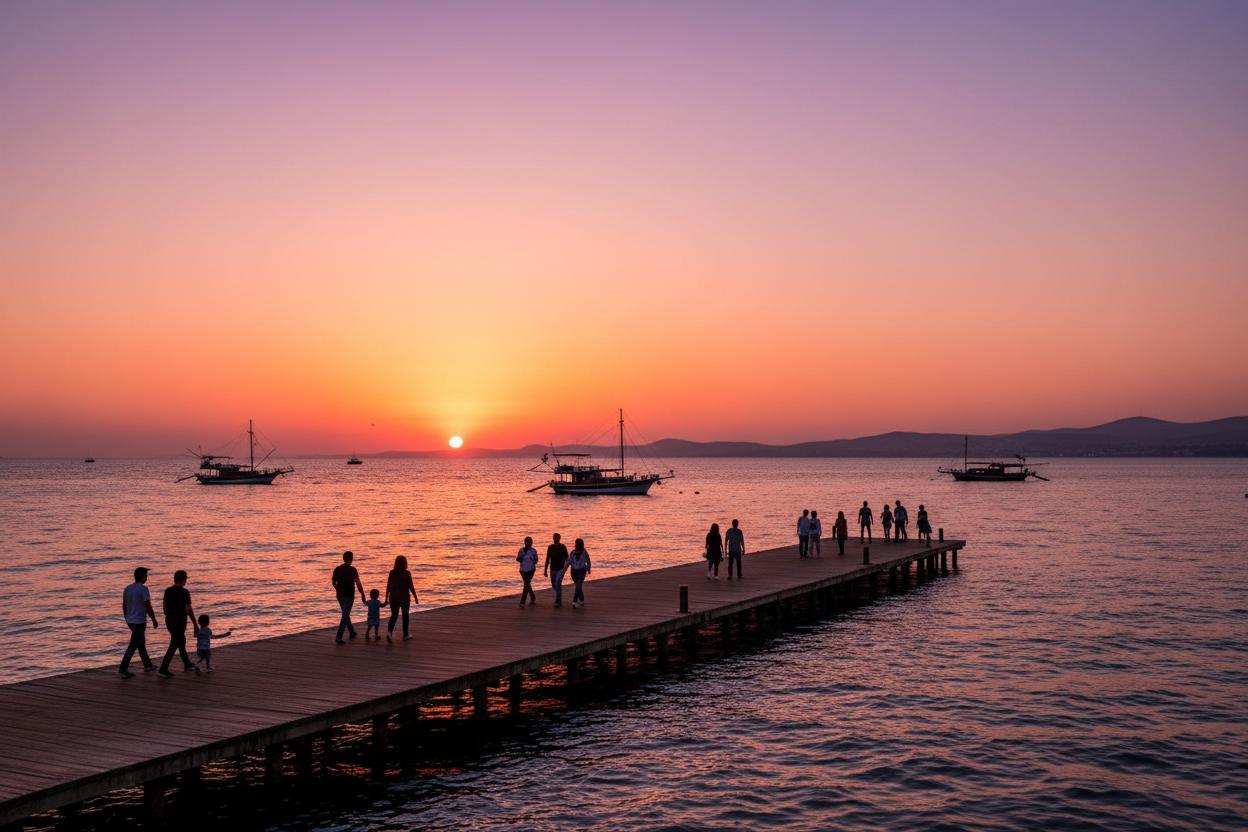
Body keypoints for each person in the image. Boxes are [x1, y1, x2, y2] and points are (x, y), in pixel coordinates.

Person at [119, 566, 159, 677]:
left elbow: (124, 605)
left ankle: (148, 665)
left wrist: (126, 618)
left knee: (141, 643)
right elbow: (148, 606)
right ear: (142, 577)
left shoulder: (127, 588)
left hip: (130, 621)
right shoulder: (143, 589)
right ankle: (123, 668)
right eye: (146, 576)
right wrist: (154, 619)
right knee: (133, 645)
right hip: (139, 621)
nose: (147, 578)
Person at [158, 570, 198, 678]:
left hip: (170, 621)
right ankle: (163, 669)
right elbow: (188, 609)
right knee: (174, 644)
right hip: (179, 621)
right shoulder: (184, 592)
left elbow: (165, 608)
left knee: (181, 641)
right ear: (184, 579)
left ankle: (187, 664)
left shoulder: (168, 591)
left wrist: (169, 615)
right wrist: (195, 623)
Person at [332, 550, 366, 644]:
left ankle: (351, 632)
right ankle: (339, 636)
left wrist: (338, 589)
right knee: (345, 615)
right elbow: (358, 583)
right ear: (351, 559)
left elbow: (333, 583)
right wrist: (362, 593)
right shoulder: (353, 570)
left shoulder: (337, 569)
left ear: (343, 559)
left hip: (339, 595)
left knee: (345, 613)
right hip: (349, 595)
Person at [384, 555, 418, 641]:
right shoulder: (407, 573)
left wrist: (386, 598)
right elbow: (411, 586)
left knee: (394, 616)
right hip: (404, 598)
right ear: (405, 563)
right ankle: (405, 635)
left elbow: (388, 586)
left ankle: (389, 632)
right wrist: (415, 597)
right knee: (405, 616)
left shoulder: (392, 572)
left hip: (393, 598)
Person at [544, 533, 569, 608]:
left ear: (559, 538)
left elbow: (567, 558)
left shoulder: (563, 547)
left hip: (561, 569)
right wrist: (545, 570)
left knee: (558, 583)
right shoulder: (550, 547)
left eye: (557, 538)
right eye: (554, 538)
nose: (555, 539)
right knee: (554, 585)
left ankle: (558, 601)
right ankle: (559, 596)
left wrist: (566, 567)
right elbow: (547, 559)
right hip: (552, 569)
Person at [569, 538, 592, 609]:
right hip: (573, 572)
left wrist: (588, 568)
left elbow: (588, 561)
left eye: (580, 544)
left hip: (582, 571)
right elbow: (569, 562)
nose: (578, 545)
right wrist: (563, 571)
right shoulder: (572, 552)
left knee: (578, 586)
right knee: (578, 586)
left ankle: (574, 601)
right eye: (577, 543)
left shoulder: (584, 552)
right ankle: (581, 599)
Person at [517, 536, 539, 607]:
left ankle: (522, 602)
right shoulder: (521, 550)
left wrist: (533, 559)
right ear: (525, 542)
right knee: (527, 584)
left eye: (531, 542)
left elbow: (536, 560)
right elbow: (518, 559)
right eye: (528, 542)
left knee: (526, 585)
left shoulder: (533, 551)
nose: (530, 543)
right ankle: (532, 597)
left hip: (531, 570)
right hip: (523, 570)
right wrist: (523, 556)